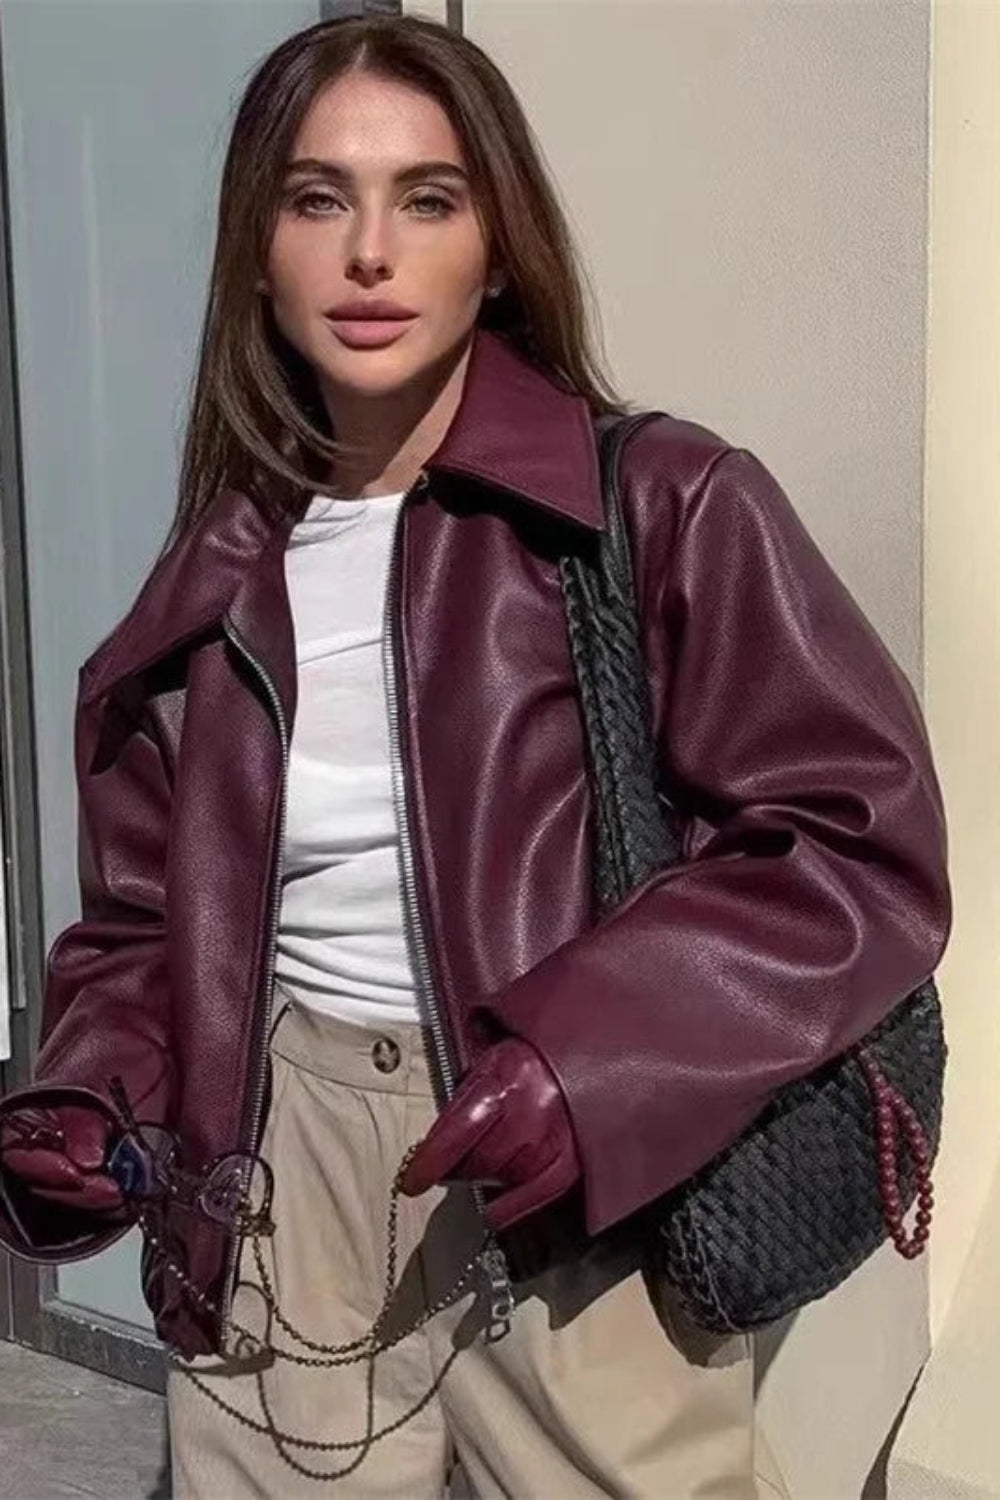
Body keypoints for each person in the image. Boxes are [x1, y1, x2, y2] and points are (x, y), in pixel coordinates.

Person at [0, 13, 949, 1498]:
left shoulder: (662, 501)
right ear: (259, 251)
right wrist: (95, 1092)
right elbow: (141, 926)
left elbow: (851, 840)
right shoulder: (215, 576)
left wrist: (590, 1061)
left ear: (496, 247)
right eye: (318, 200)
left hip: (575, 1190)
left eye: (427, 199)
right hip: (275, 1182)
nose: (370, 253)